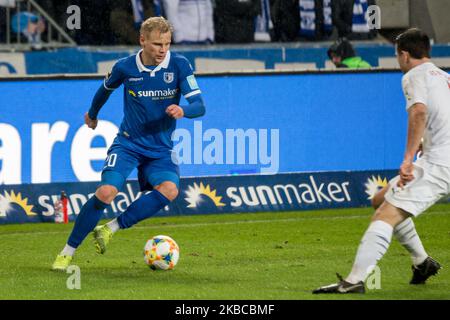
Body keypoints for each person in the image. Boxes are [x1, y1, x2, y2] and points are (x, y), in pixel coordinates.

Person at [51, 16, 206, 271]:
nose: (163, 50)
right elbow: (105, 89)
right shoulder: (125, 67)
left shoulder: (179, 65)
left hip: (160, 150)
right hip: (128, 145)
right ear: (142, 40)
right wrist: (92, 114)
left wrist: (183, 110)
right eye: (157, 44)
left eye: (167, 44)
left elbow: (200, 106)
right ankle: (67, 252)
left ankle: (111, 228)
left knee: (170, 190)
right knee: (106, 193)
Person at [313, 28, 448, 294]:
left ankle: (353, 281)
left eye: (398, 55)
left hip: (439, 163)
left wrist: (408, 159)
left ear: (405, 55)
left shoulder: (413, 76)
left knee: (385, 216)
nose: (398, 61)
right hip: (441, 157)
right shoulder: (443, 76)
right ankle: (422, 262)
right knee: (381, 199)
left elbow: (419, 113)